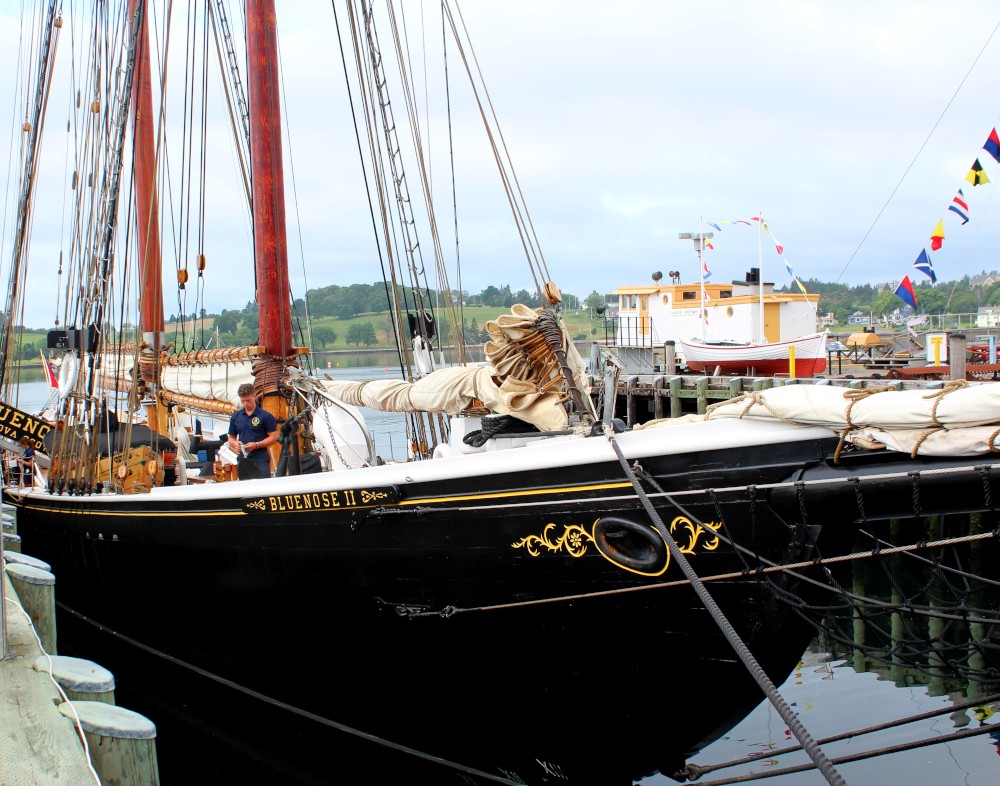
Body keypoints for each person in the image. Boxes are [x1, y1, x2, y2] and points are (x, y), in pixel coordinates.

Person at [227, 383, 278, 479]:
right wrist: (234, 443)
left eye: (248, 400)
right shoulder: (236, 417)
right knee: (245, 488)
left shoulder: (265, 416)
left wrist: (256, 445)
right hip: (243, 458)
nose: (246, 403)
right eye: (243, 401)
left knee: (262, 486)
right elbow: (231, 437)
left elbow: (274, 437)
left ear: (254, 396)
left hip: (260, 458)